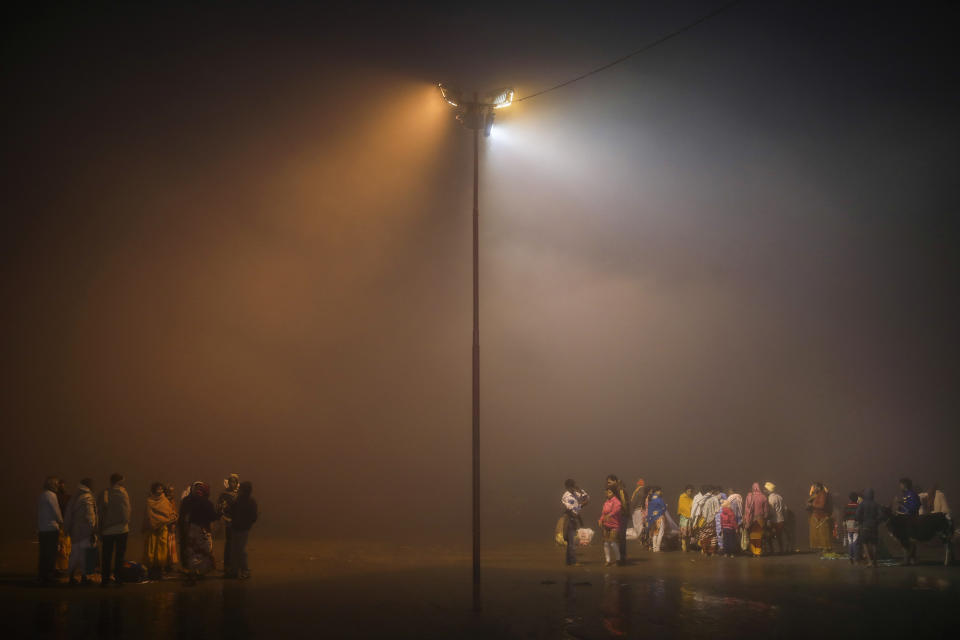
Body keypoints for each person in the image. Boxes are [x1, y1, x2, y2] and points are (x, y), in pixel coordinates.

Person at [98, 473, 131, 587]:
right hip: (122, 529)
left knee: (106, 556)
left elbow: (100, 512)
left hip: (107, 530)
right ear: (119, 481)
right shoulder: (123, 493)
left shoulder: (104, 493)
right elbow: (127, 511)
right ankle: (118, 579)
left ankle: (105, 579)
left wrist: (100, 528)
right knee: (120, 556)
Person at [64, 478, 97, 586]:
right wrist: (93, 530)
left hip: (75, 531)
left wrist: (67, 529)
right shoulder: (88, 497)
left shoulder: (74, 497)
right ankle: (84, 577)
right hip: (85, 530)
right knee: (85, 555)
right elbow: (90, 516)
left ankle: (71, 576)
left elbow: (68, 515)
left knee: (74, 554)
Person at [184, 481, 221, 580]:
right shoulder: (207, 503)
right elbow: (212, 517)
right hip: (203, 530)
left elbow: (187, 516)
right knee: (204, 551)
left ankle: (193, 571)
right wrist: (219, 513)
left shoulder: (190, 501)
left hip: (192, 529)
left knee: (193, 551)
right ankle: (200, 572)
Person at [143, 482, 177, 579]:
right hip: (152, 530)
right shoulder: (149, 501)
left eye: (161, 488)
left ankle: (159, 570)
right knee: (151, 549)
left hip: (163, 529)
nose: (160, 490)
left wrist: (168, 521)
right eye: (158, 488)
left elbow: (169, 513)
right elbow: (148, 516)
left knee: (162, 550)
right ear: (154, 489)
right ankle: (152, 571)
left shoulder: (165, 500)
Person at [226, 481, 258, 579]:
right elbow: (253, 517)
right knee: (235, 550)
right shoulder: (245, 500)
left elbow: (253, 516)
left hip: (241, 528)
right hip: (238, 528)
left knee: (240, 550)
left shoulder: (246, 501)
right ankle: (234, 571)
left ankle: (244, 570)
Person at [36, 476, 63, 585]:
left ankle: (42, 575)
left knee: (43, 553)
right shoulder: (52, 495)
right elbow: (56, 511)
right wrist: (61, 522)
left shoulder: (42, 495)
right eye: (56, 484)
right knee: (51, 553)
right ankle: (49, 576)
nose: (57, 486)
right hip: (51, 527)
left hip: (42, 528)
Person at [561, 479, 589, 566]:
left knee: (571, 541)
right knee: (571, 542)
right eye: (571, 486)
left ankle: (569, 561)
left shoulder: (575, 494)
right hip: (570, 518)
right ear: (567, 487)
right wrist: (581, 507)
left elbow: (587, 498)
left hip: (574, 518)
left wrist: (580, 490)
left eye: (574, 486)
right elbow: (571, 510)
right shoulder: (566, 496)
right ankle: (573, 561)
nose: (573, 488)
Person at [855, 488, 884, 568]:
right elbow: (881, 515)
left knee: (865, 544)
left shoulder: (862, 504)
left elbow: (857, 515)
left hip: (865, 526)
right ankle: (875, 562)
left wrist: (861, 521)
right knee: (874, 544)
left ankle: (869, 561)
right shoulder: (876, 504)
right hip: (874, 527)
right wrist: (876, 521)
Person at [217, 474, 240, 571]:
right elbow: (219, 508)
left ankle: (236, 565)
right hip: (229, 522)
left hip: (238, 523)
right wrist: (225, 518)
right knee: (229, 543)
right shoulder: (224, 494)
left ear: (237, 483)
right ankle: (227, 565)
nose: (232, 483)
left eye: (234, 482)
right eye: (230, 481)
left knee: (238, 544)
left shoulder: (240, 494)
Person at [606, 475, 629, 565]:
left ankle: (622, 559)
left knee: (621, 537)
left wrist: (624, 514)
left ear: (615, 481)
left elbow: (624, 504)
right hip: (618, 516)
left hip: (622, 516)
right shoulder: (616, 490)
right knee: (619, 537)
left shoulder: (620, 490)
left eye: (609, 482)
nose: (608, 484)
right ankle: (620, 558)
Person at [599, 488, 623, 567]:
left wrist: (610, 515)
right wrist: (600, 520)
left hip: (614, 525)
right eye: (607, 492)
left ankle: (618, 560)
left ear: (614, 493)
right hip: (606, 525)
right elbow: (603, 513)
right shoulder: (606, 502)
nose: (608, 493)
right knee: (606, 543)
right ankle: (608, 560)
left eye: (610, 492)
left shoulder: (616, 501)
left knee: (613, 543)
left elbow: (617, 510)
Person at [807, 482, 833, 553]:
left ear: (817, 487)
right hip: (817, 515)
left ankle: (826, 549)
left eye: (813, 487)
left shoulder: (823, 494)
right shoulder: (817, 494)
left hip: (822, 516)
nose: (812, 489)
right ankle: (822, 548)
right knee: (818, 533)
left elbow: (821, 505)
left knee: (823, 533)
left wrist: (812, 504)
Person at [744, 483, 768, 556]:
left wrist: (746, 519)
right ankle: (758, 552)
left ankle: (753, 551)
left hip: (751, 520)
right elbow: (766, 511)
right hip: (760, 519)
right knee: (759, 536)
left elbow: (746, 509)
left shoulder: (749, 497)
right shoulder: (764, 497)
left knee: (752, 536)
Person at [698, 488, 721, 556]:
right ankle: (712, 552)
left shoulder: (703, 499)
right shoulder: (715, 499)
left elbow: (699, 509)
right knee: (713, 536)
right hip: (712, 521)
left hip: (704, 521)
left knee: (704, 536)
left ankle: (705, 551)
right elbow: (717, 510)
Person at [763, 482, 785, 554]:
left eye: (765, 490)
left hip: (774, 520)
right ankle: (781, 550)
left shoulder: (770, 498)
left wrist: (767, 519)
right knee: (779, 537)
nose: (764, 491)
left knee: (769, 536)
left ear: (768, 490)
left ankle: (771, 551)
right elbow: (784, 508)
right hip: (781, 519)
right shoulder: (779, 497)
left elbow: (771, 511)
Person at [164, 484, 180, 571]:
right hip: (166, 526)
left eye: (172, 491)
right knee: (167, 545)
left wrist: (175, 520)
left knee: (171, 545)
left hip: (171, 526)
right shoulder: (164, 501)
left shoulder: (172, 501)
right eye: (169, 491)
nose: (171, 493)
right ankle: (166, 563)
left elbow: (174, 511)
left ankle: (169, 564)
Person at [646, 488, 667, 552]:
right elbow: (664, 508)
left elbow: (649, 511)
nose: (661, 492)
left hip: (652, 519)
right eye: (660, 491)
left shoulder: (651, 500)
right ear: (657, 491)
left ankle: (654, 548)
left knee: (655, 533)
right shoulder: (659, 499)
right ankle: (658, 548)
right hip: (660, 517)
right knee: (660, 533)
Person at [843, 492, 861, 564]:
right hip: (856, 524)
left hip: (848, 525)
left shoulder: (846, 506)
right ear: (857, 498)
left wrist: (844, 524)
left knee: (850, 541)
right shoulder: (859, 506)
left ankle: (850, 557)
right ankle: (856, 558)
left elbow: (844, 516)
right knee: (855, 541)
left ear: (850, 498)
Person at [677, 486, 694, 552]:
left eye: (691, 491)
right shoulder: (682, 497)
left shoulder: (691, 498)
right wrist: (687, 513)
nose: (690, 492)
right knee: (684, 533)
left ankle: (688, 547)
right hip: (684, 517)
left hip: (689, 517)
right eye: (688, 491)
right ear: (686, 491)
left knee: (689, 533)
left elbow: (692, 506)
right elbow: (681, 507)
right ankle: (683, 546)